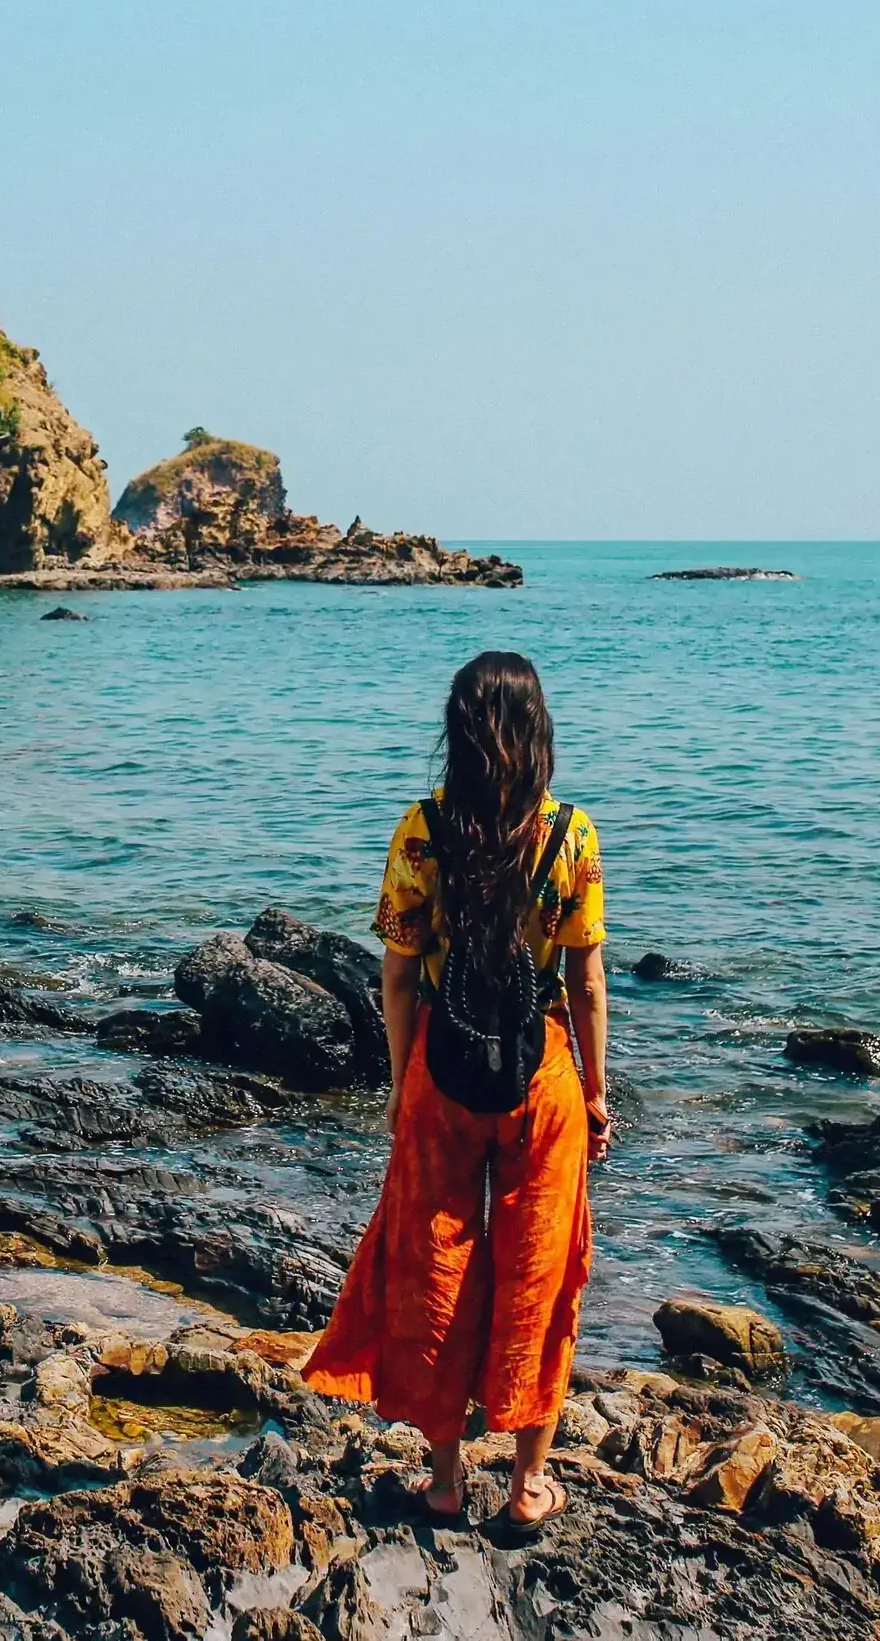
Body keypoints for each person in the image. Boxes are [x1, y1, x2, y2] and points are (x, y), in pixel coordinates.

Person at [305, 649, 609, 1537]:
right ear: (538, 732)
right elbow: (586, 984)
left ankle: (443, 1482)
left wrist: (402, 1085)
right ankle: (525, 1486)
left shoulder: (421, 831)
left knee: (434, 1263)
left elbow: (397, 978)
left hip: (443, 1069)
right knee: (540, 1276)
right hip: (542, 1071)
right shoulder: (572, 837)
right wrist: (595, 1092)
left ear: (459, 732)